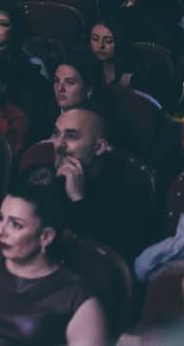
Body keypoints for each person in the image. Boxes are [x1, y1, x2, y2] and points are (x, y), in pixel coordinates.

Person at [0, 184, 107, 346]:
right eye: (1, 219)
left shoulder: (79, 300)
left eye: (16, 225)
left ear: (46, 237)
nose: (0, 231)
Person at [33, 107, 146, 263]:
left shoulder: (127, 188)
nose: (58, 144)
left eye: (71, 136)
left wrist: (78, 199)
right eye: (57, 133)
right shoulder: (44, 173)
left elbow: (111, 258)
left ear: (98, 147)